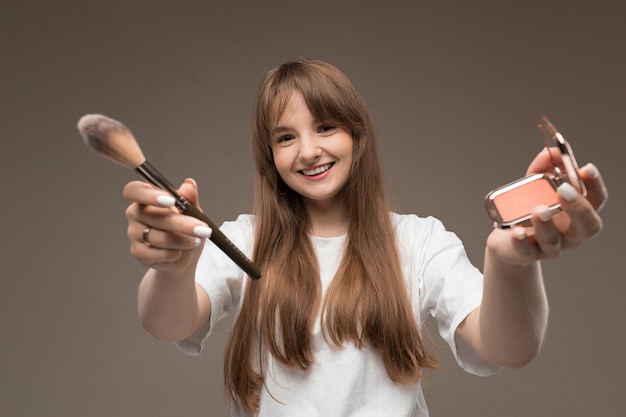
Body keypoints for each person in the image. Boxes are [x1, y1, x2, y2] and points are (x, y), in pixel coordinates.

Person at [123, 59, 608, 417]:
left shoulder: (419, 242)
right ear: (269, 155)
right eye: (285, 137)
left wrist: (512, 261)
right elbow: (168, 322)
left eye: (326, 127)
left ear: (357, 135)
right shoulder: (244, 241)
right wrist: (172, 265)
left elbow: (509, 347)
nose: (309, 150)